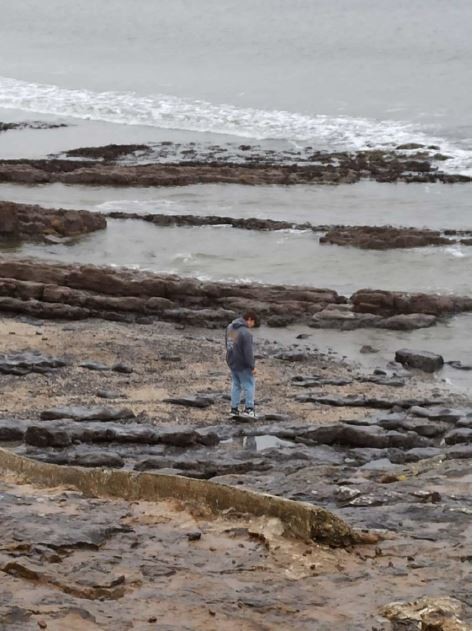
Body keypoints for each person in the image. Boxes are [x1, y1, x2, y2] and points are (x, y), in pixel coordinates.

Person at [225, 310, 258, 417]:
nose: (252, 326)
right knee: (249, 384)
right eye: (253, 323)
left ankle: (234, 409)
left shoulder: (230, 327)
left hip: (232, 361)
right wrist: (252, 366)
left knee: (236, 384)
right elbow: (248, 352)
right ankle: (249, 409)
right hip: (242, 363)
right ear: (249, 319)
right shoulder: (246, 333)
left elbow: (228, 343)